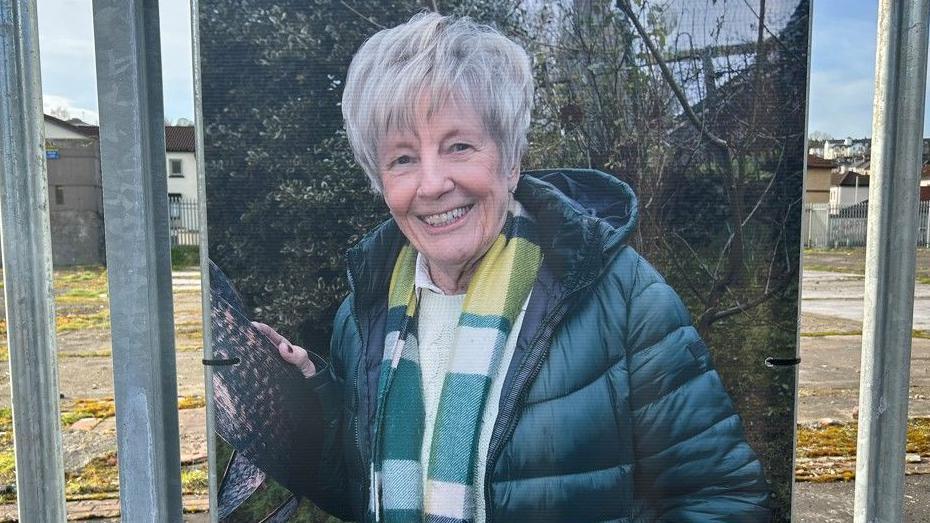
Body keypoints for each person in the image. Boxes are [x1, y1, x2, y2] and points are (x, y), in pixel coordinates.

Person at [254, 11, 770, 522]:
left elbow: (720, 499)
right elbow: (360, 495)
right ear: (381, 180)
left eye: (459, 146)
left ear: (511, 159)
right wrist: (313, 398)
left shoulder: (625, 299)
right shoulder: (362, 316)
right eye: (403, 159)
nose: (432, 184)